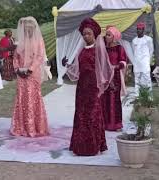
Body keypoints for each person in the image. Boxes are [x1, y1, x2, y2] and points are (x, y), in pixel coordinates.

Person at [62, 18, 114, 156]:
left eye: (89, 34)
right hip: (81, 88)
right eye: (84, 34)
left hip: (93, 86)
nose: (86, 36)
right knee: (81, 114)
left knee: (93, 114)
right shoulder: (81, 50)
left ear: (94, 34)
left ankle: (94, 145)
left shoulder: (98, 50)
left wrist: (104, 85)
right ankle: (80, 146)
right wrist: (67, 65)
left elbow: (105, 68)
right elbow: (77, 69)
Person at [10, 17, 49, 137]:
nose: (28, 32)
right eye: (26, 30)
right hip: (21, 75)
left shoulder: (38, 41)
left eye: (30, 29)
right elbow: (15, 57)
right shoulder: (19, 42)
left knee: (33, 98)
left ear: (34, 29)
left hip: (33, 74)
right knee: (22, 98)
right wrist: (17, 69)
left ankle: (36, 128)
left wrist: (30, 70)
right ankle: (21, 127)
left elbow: (39, 57)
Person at [102, 25, 127, 131]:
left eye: (109, 35)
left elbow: (123, 62)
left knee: (114, 101)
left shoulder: (119, 48)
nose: (106, 37)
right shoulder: (104, 49)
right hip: (105, 77)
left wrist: (114, 67)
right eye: (106, 35)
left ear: (114, 37)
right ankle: (105, 124)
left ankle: (116, 124)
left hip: (115, 77)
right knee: (104, 100)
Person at [132, 22, 154, 95]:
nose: (139, 31)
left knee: (147, 79)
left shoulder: (148, 39)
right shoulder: (134, 40)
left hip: (145, 63)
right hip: (137, 63)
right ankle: (137, 96)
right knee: (137, 80)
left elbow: (151, 50)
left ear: (143, 30)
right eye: (138, 29)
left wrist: (148, 61)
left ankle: (149, 97)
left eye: (140, 29)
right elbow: (133, 51)